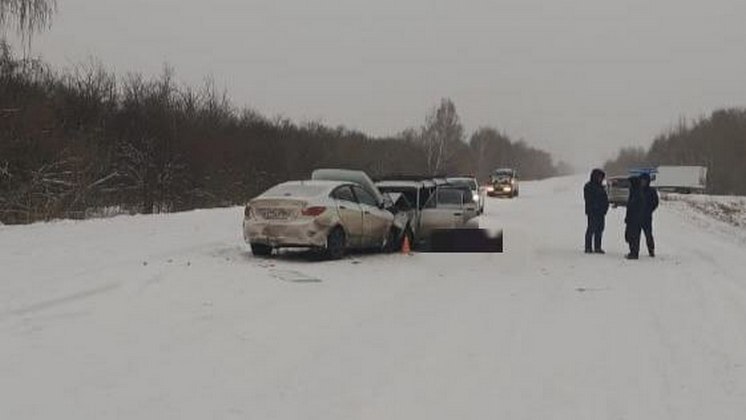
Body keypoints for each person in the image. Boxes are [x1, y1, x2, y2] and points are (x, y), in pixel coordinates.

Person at [584, 168, 609, 254]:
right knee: (591, 229)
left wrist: (605, 208)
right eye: (600, 177)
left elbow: (605, 199)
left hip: (601, 212)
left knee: (600, 229)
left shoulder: (601, 187)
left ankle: (597, 247)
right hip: (592, 212)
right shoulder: (588, 186)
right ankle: (588, 247)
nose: (601, 179)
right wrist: (595, 207)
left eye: (602, 177)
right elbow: (589, 199)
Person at [624, 176, 645, 259]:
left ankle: (634, 253)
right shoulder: (633, 191)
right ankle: (632, 251)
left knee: (634, 236)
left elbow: (636, 206)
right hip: (631, 218)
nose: (629, 185)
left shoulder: (638, 193)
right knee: (630, 236)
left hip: (636, 219)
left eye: (630, 183)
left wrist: (634, 216)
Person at [639, 173, 659, 257]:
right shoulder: (637, 190)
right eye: (642, 180)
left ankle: (651, 250)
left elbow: (655, 202)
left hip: (647, 216)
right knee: (635, 235)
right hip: (637, 216)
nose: (643, 182)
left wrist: (650, 210)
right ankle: (634, 250)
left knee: (648, 234)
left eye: (645, 180)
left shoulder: (652, 191)